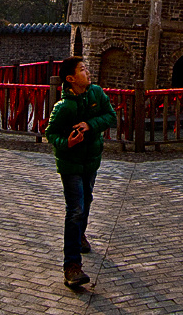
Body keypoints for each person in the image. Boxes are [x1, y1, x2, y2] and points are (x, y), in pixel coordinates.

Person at [44, 56, 116, 289]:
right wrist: (67, 143)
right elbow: (50, 134)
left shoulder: (96, 93)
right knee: (75, 209)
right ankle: (72, 266)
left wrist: (90, 125)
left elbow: (111, 116)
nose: (88, 72)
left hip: (91, 161)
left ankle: (79, 235)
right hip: (70, 163)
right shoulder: (63, 107)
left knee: (87, 201)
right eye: (82, 69)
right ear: (70, 78)